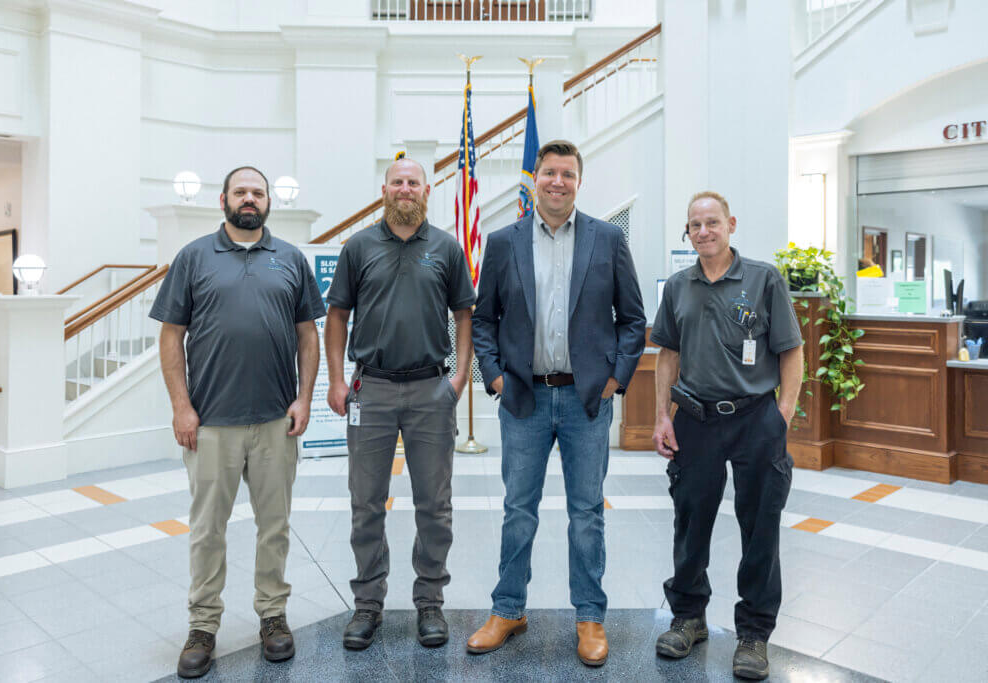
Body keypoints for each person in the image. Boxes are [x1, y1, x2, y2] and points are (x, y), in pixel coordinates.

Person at [467, 140, 646, 667]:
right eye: (549, 173)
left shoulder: (608, 239)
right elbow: (483, 320)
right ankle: (508, 609)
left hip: (585, 399)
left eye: (567, 173)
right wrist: (495, 377)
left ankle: (589, 617)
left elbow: (632, 319)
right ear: (535, 180)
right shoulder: (503, 242)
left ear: (578, 181)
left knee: (586, 513)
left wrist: (615, 379)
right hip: (522, 398)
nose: (557, 182)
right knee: (518, 511)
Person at [151, 166, 325, 679]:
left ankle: (273, 616)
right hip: (212, 424)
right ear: (224, 200)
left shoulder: (290, 259)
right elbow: (170, 336)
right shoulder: (193, 258)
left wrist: (304, 398)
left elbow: (308, 336)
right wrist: (181, 407)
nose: (249, 198)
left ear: (268, 202)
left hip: (275, 422)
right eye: (240, 191)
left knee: (275, 527)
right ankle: (203, 626)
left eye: (258, 192)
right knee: (208, 530)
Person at [650, 191, 804, 680]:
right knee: (690, 521)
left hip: (756, 417)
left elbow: (791, 351)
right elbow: (667, 356)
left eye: (711, 223)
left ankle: (754, 633)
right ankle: (688, 617)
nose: (703, 232)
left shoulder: (763, 279)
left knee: (760, 526)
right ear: (688, 232)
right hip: (695, 419)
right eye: (694, 225)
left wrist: (782, 414)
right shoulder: (678, 286)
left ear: (730, 224)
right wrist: (662, 415)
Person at [324, 158, 476, 650]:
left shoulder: (447, 248)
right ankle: (368, 604)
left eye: (413, 182)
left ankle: (429, 602)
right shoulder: (359, 247)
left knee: (435, 505)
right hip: (372, 390)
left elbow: (465, 315)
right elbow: (337, 317)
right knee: (366, 504)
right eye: (397, 182)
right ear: (384, 189)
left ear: (426, 190)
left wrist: (458, 378)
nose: (405, 189)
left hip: (432, 390)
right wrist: (335, 380)